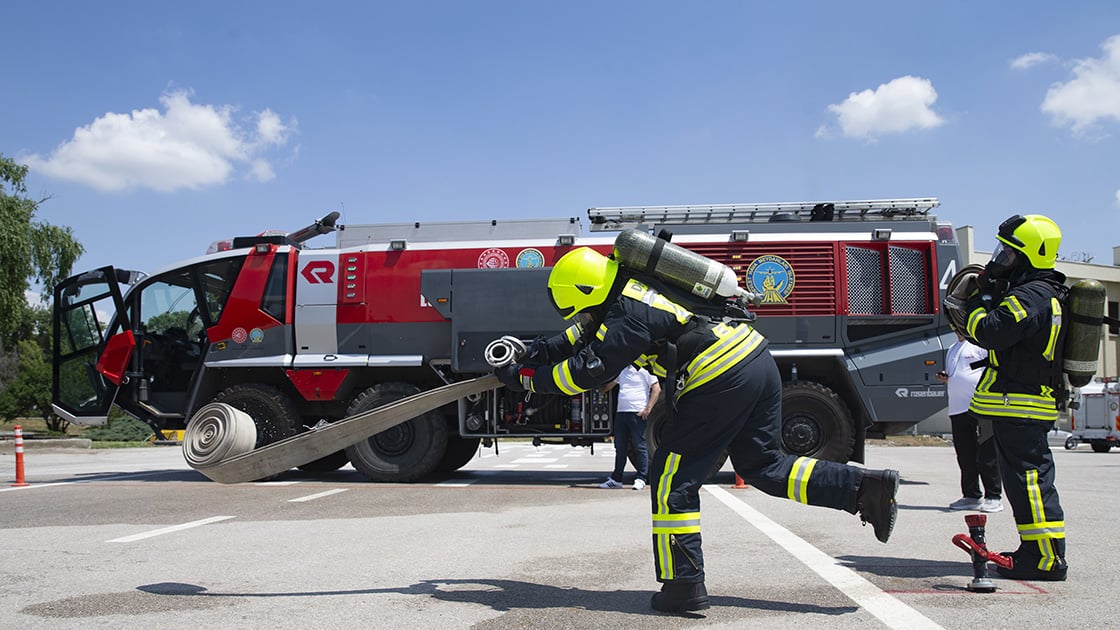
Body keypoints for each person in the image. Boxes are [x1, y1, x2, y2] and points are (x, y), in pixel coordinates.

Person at [494, 247, 900, 613]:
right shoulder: (631, 293)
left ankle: (683, 585)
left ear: (585, 293)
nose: (580, 319)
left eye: (579, 309)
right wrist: (528, 352)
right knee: (764, 465)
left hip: (720, 375)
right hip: (756, 360)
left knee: (671, 479)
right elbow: (573, 339)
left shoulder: (626, 313)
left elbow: (586, 371)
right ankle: (863, 489)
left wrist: (526, 380)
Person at [962, 213, 1068, 581]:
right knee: (1026, 483)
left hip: (1020, 401)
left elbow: (991, 332)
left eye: (1008, 254)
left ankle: (1045, 560)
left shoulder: (1032, 296)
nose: (999, 260)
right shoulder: (1039, 292)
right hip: (1020, 401)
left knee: (1030, 482)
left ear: (1028, 257)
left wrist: (974, 303)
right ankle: (1035, 551)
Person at [937, 332, 1002, 513]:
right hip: (957, 408)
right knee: (965, 454)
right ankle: (971, 495)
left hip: (981, 406)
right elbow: (957, 374)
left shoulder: (980, 345)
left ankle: (994, 496)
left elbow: (993, 368)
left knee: (987, 452)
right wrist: (946, 377)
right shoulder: (951, 349)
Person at [598, 365, 660, 491]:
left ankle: (641, 478)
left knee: (639, 446)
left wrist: (648, 408)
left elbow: (656, 388)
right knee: (620, 447)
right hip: (622, 413)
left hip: (637, 413)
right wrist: (601, 388)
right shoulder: (622, 370)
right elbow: (610, 385)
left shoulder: (646, 370)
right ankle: (616, 479)